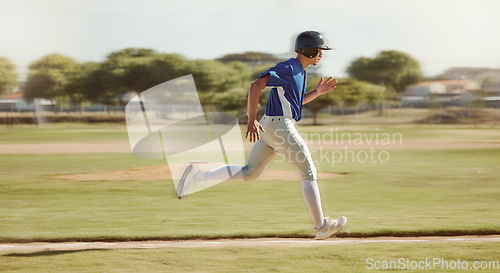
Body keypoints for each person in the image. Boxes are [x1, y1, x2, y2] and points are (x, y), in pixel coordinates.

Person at [176, 31, 347, 240]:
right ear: (310, 50)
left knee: (250, 173)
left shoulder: (300, 72)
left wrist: (318, 93)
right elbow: (256, 85)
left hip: (271, 126)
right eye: (319, 50)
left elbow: (295, 102)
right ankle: (321, 227)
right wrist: (251, 120)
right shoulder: (288, 68)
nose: (321, 54)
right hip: (280, 126)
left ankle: (195, 178)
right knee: (308, 171)